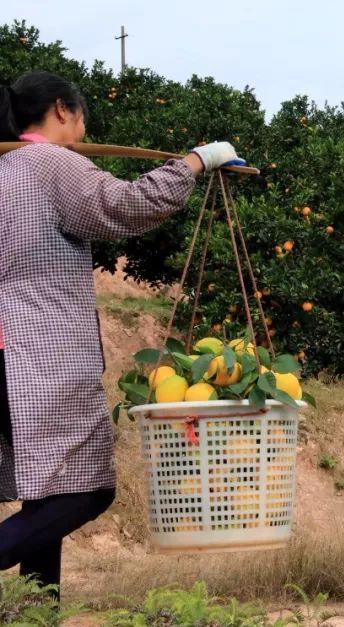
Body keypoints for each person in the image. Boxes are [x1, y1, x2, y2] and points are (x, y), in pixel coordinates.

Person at [0, 71, 242, 596]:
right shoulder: (52, 164)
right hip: (40, 354)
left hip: (6, 354)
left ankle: (38, 620)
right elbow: (126, 206)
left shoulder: (4, 169)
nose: (84, 126)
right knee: (88, 490)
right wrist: (197, 161)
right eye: (82, 114)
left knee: (48, 491)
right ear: (62, 110)